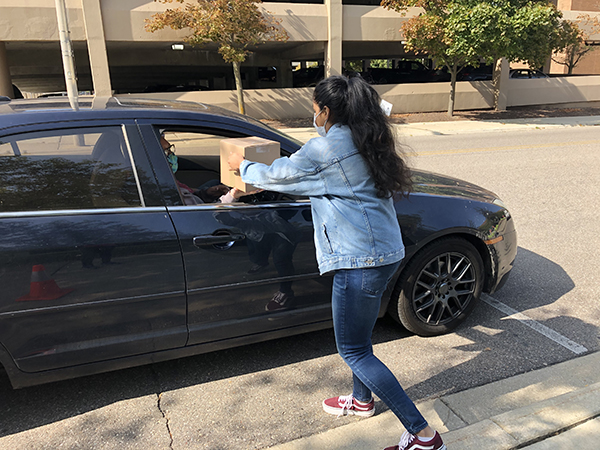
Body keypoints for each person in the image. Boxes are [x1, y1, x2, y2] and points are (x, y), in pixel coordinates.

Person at [228, 75, 445, 450]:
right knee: (360, 341)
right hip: (383, 252)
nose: (313, 115)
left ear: (326, 111)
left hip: (360, 259)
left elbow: (278, 175)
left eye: (315, 109)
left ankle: (424, 436)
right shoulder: (369, 138)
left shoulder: (325, 149)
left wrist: (239, 167)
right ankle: (361, 401)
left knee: (353, 350)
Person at [160, 134, 242, 204]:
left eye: (170, 149)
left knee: (215, 182)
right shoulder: (168, 191)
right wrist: (232, 196)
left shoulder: (165, 179)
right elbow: (211, 215)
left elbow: (188, 192)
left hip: (196, 198)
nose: (171, 154)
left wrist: (206, 193)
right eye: (166, 152)